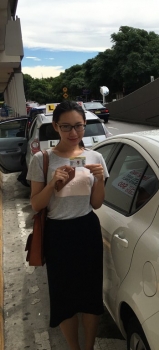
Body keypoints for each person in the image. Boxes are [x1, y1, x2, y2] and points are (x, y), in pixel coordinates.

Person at [26, 100, 109, 350]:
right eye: (66, 127)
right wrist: (53, 183)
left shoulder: (95, 157)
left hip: (87, 230)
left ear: (85, 126)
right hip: (58, 234)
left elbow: (96, 204)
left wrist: (99, 180)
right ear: (55, 127)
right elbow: (36, 205)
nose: (74, 133)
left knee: (90, 296)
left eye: (79, 126)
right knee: (64, 299)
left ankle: (89, 347)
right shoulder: (42, 159)